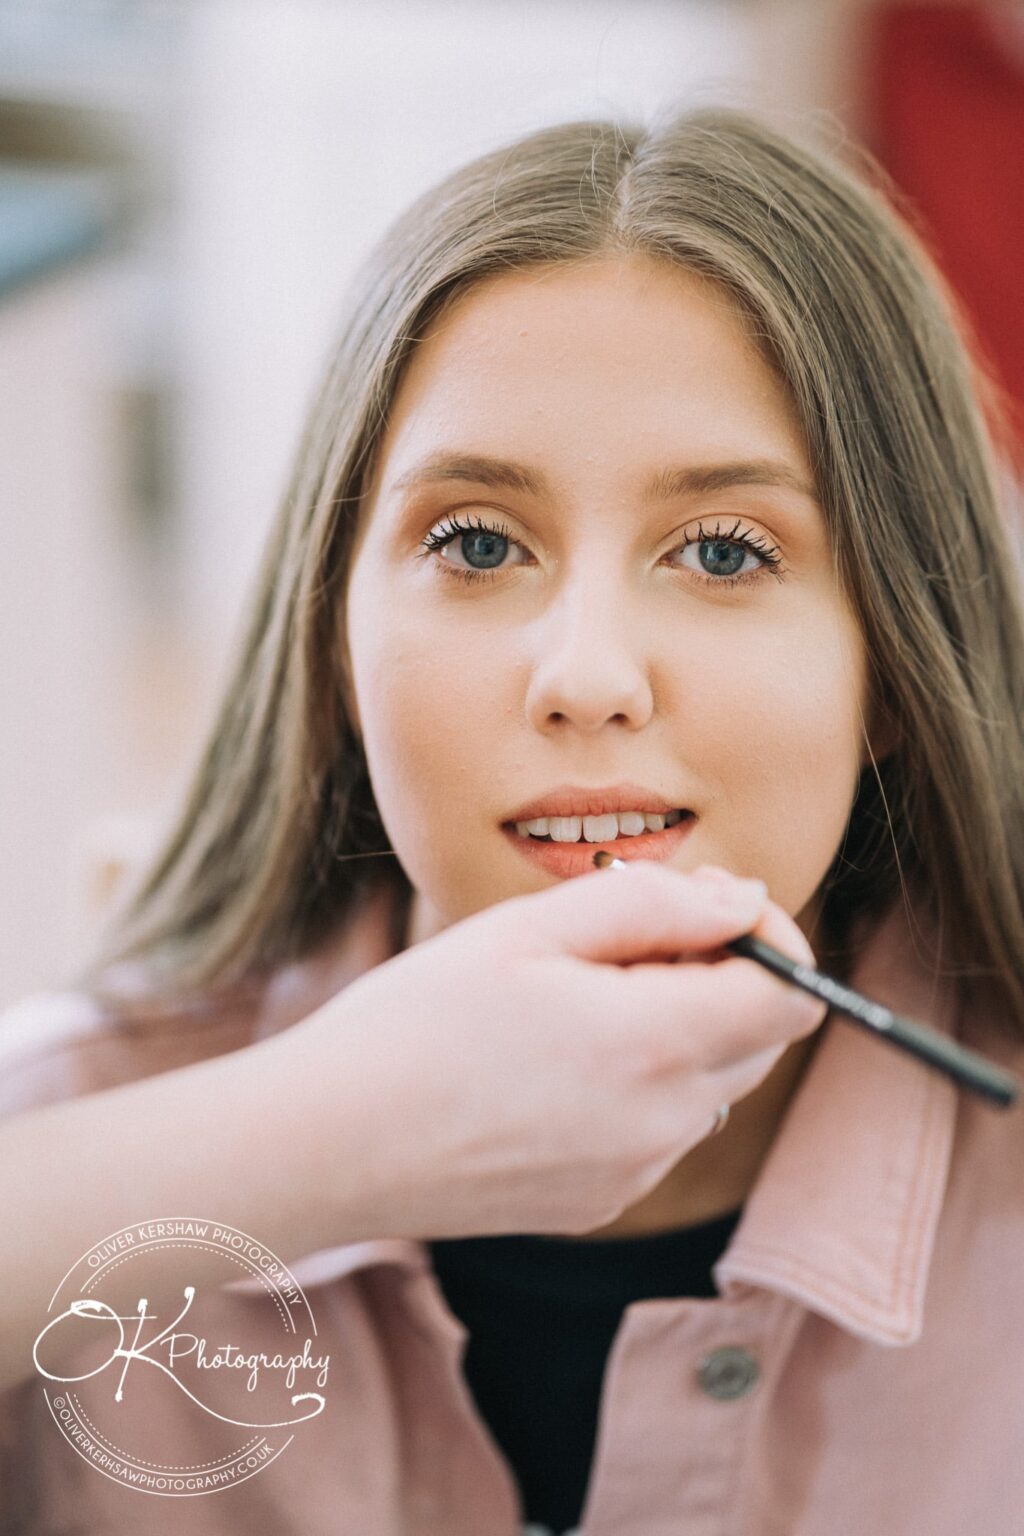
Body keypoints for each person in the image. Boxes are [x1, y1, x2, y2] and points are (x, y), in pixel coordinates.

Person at [1, 105, 1022, 1536]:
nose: (588, 676)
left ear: (901, 666)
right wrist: (310, 1139)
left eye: (724, 551)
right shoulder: (69, 1140)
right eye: (475, 543)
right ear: (333, 647)